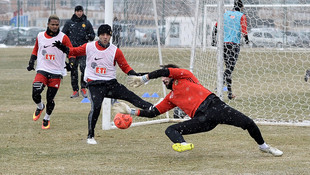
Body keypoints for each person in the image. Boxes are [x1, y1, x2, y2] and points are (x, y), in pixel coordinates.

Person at [112, 64, 283, 157]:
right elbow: (153, 112)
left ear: (172, 74)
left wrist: (144, 78)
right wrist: (131, 111)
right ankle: (183, 144)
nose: (163, 80)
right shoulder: (170, 98)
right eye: (163, 78)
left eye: (165, 78)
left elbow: (164, 70)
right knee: (170, 129)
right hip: (203, 120)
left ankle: (264, 146)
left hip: (215, 106)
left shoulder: (185, 76)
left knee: (248, 123)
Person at [52, 24, 153, 144]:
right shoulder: (89, 47)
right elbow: (74, 51)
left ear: (110, 36)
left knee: (130, 96)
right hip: (94, 84)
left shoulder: (115, 51)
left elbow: (125, 67)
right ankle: (90, 136)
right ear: (98, 35)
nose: (105, 37)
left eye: (107, 35)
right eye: (102, 35)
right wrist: (63, 48)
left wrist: (137, 76)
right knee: (96, 107)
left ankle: (151, 108)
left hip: (111, 84)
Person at [26, 15, 74, 129]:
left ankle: (46, 118)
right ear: (48, 24)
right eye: (52, 24)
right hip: (42, 69)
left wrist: (71, 64)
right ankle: (40, 106)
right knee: (35, 92)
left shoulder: (64, 38)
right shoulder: (40, 36)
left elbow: (71, 51)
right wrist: (31, 61)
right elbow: (36, 49)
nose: (54, 27)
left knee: (50, 98)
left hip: (57, 71)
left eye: (57, 25)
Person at [212, 0, 249, 100]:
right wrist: (247, 41)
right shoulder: (242, 16)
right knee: (230, 69)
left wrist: (213, 40)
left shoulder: (225, 14)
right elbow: (244, 32)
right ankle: (219, 85)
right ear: (241, 7)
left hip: (223, 45)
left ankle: (229, 93)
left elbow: (215, 27)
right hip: (234, 45)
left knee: (228, 68)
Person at [62, 5, 95, 98]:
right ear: (75, 12)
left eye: (80, 11)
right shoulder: (69, 23)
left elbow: (92, 35)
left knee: (84, 68)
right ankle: (75, 90)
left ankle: (83, 88)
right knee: (73, 70)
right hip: (72, 51)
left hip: (83, 50)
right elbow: (63, 35)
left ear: (83, 12)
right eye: (77, 11)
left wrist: (89, 36)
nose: (79, 13)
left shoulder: (87, 23)